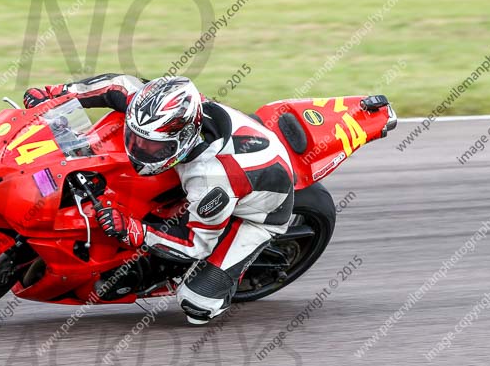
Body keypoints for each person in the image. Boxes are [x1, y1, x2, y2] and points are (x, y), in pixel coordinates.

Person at [23, 74, 294, 325]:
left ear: (184, 139)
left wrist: (133, 229)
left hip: (258, 214)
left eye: (153, 147)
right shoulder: (155, 112)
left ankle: (216, 282)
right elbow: (117, 85)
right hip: (235, 166)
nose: (139, 149)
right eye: (137, 138)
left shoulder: (211, 180)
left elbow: (194, 244)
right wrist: (53, 95)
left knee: (197, 303)